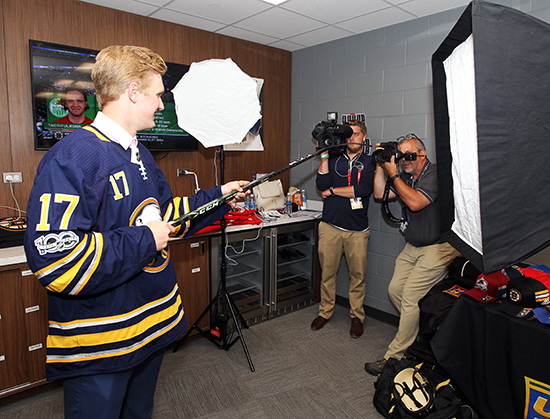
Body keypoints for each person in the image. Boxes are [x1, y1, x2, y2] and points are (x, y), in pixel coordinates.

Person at [23, 45, 249, 419]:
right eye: (158, 95)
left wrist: (219, 197)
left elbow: (163, 218)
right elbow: (57, 262)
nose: (161, 106)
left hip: (148, 333)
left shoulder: (139, 153)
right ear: (132, 91)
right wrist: (147, 239)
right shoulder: (72, 157)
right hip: (103, 347)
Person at [364, 133, 460, 375]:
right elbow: (378, 195)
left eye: (410, 156)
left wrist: (393, 173)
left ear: (422, 154)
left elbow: (415, 203)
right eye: (401, 156)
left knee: (409, 297)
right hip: (414, 245)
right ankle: (420, 333)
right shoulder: (407, 176)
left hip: (438, 247)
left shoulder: (436, 174)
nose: (405, 160)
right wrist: (380, 166)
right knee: (395, 290)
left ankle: (393, 356)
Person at [310, 119, 375, 338]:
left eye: (356, 134)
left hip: (357, 230)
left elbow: (364, 189)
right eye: (348, 135)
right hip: (330, 226)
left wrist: (334, 191)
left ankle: (357, 316)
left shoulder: (369, 161)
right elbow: (321, 185)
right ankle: (325, 312)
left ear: (364, 137)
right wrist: (325, 154)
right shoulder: (334, 159)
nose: (352, 138)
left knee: (358, 275)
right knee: (327, 273)